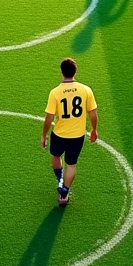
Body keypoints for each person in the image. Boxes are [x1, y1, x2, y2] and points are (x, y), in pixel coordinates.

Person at [41, 58, 98, 207]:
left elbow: (49, 117)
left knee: (56, 157)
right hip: (78, 136)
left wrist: (44, 135)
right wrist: (94, 130)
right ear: (75, 71)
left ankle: (60, 180)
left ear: (61, 71)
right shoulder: (86, 90)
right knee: (71, 165)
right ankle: (64, 192)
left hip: (59, 134)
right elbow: (93, 113)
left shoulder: (55, 92)